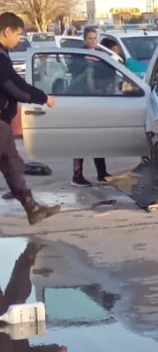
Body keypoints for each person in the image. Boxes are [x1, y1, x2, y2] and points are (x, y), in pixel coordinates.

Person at [0, 12, 61, 225]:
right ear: (7, 31)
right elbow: (13, 86)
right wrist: (42, 98)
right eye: (17, 34)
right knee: (10, 163)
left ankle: (32, 208)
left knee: (12, 164)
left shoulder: (3, 54)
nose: (18, 40)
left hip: (3, 122)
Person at [0, 242, 67, 352]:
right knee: (17, 297)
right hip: (16, 345)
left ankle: (29, 254)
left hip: (11, 345)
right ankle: (29, 255)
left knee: (17, 298)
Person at [70, 27, 111, 187]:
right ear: (84, 40)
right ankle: (77, 175)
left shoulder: (101, 54)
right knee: (81, 140)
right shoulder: (78, 56)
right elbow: (75, 74)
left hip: (97, 101)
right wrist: (87, 66)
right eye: (90, 38)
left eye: (95, 38)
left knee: (97, 138)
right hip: (81, 101)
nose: (93, 41)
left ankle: (102, 173)